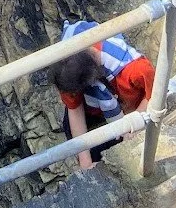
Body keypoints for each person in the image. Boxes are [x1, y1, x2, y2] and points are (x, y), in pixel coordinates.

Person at [52, 20, 156, 170]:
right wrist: (85, 161)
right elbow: (74, 108)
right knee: (82, 146)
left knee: (121, 156)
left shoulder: (136, 69)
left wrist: (132, 123)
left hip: (130, 111)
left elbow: (154, 95)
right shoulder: (65, 68)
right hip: (93, 110)